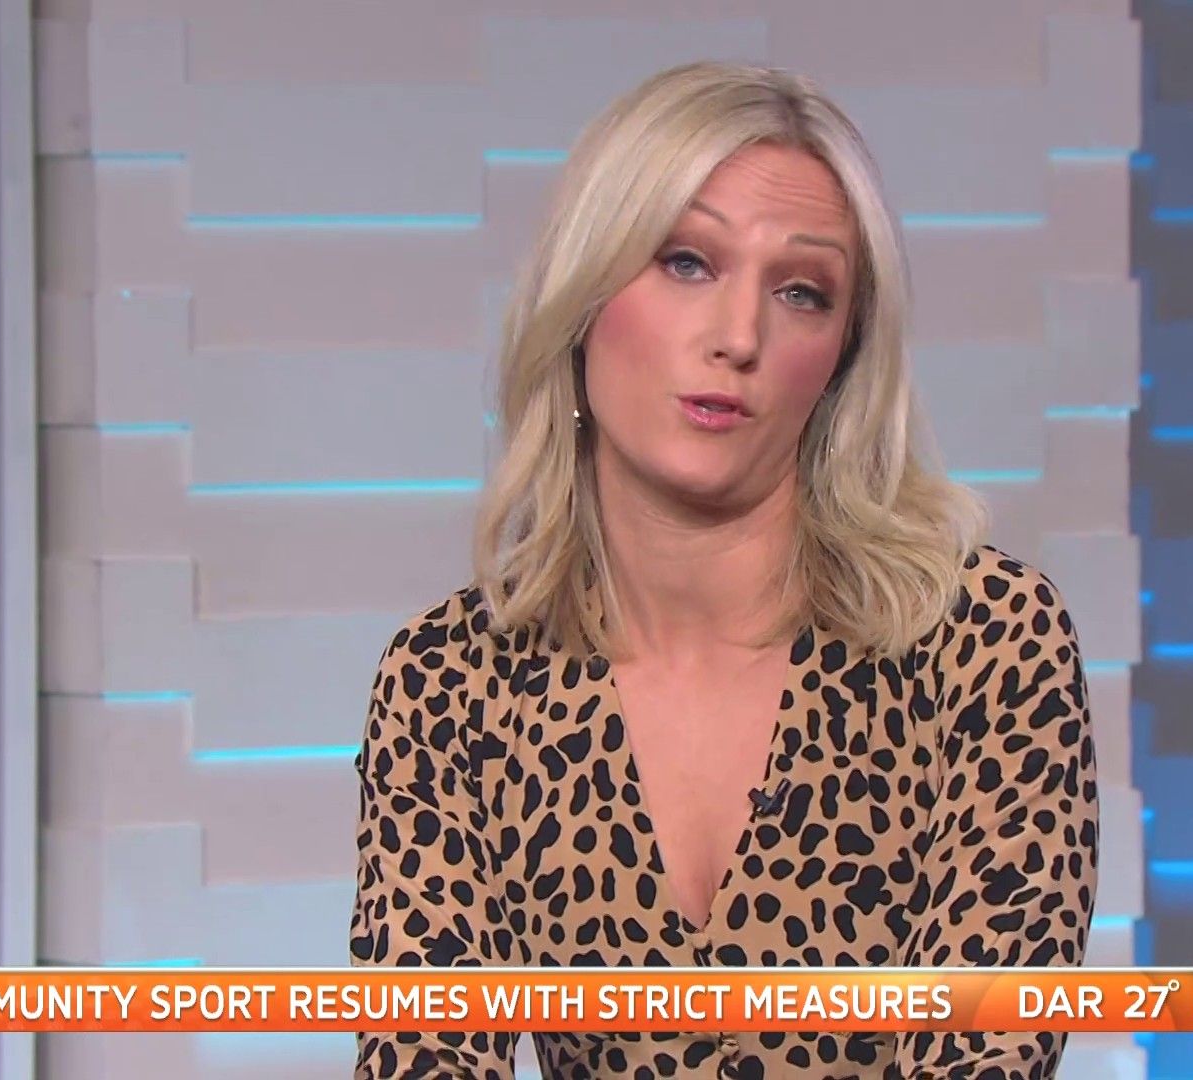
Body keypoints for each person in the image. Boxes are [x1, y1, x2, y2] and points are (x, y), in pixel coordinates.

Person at [350, 60, 1099, 1079]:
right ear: (584, 296)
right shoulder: (449, 681)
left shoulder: (986, 643)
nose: (739, 336)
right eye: (687, 263)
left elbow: (988, 1055)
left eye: (801, 292)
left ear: (841, 359)